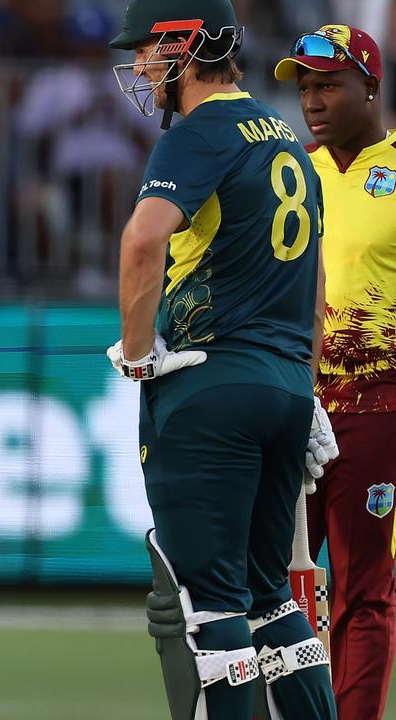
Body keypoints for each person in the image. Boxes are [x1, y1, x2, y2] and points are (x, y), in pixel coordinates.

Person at [103, 0, 338, 718]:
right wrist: (307, 385)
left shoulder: (202, 131)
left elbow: (143, 241)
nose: (139, 66)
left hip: (211, 386)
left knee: (213, 607)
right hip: (287, 386)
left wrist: (139, 355)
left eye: (147, 49)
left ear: (182, 46)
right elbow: (317, 283)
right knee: (273, 599)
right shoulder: (286, 138)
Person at [276, 24, 396, 720]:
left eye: (329, 85)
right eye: (305, 88)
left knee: (365, 591)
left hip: (378, 407)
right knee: (273, 584)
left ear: (370, 87)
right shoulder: (291, 171)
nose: (313, 101)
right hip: (292, 403)